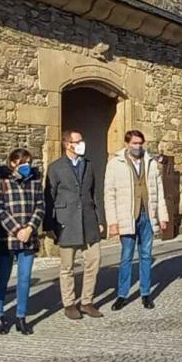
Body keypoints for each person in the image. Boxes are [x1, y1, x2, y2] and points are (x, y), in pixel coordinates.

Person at [105, 130, 169, 310]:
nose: (138, 146)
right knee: (126, 257)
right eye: (134, 143)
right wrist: (113, 222)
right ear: (127, 144)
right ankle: (122, 294)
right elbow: (109, 194)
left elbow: (159, 191)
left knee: (146, 256)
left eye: (140, 143)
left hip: (147, 216)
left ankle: (146, 293)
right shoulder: (115, 164)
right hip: (127, 216)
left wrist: (162, 216)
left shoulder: (151, 163)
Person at [44, 130, 104, 320]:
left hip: (88, 221)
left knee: (94, 261)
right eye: (77, 141)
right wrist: (49, 225)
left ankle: (87, 301)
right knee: (67, 266)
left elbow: (94, 193)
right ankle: (69, 303)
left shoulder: (88, 165)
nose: (81, 144)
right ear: (67, 144)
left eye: (81, 140)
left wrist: (100, 219)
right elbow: (49, 196)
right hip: (66, 221)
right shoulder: (56, 168)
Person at [0, 148, 44, 335]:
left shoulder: (35, 180)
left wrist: (29, 228)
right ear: (13, 163)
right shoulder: (1, 180)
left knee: (24, 278)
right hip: (7, 236)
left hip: (29, 236)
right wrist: (17, 229)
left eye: (29, 161)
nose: (27, 165)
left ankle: (21, 316)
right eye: (23, 162)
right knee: (3, 277)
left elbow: (40, 206)